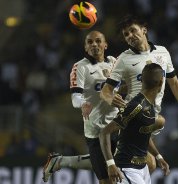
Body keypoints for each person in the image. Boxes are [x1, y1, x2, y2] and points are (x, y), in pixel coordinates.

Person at [42, 31, 119, 184]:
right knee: (107, 177)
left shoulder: (113, 62)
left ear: (105, 45)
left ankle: (60, 161)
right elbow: (75, 96)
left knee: (131, 162)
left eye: (98, 41)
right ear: (85, 47)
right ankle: (60, 162)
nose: (94, 44)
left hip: (117, 124)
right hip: (96, 129)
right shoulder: (80, 67)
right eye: (90, 42)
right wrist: (82, 103)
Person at [100, 63, 170, 183]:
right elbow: (105, 132)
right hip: (127, 169)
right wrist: (111, 164)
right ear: (161, 82)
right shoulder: (136, 106)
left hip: (142, 169)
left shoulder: (149, 105)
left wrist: (158, 156)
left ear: (141, 80)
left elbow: (142, 134)